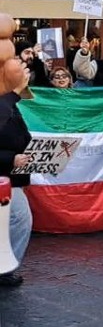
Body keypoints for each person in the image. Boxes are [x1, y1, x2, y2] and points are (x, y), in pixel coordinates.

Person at [0, 64, 32, 287]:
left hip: (8, 177)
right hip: (4, 174)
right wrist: (11, 158)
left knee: (19, 218)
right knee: (20, 218)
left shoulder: (10, 104)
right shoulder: (6, 103)